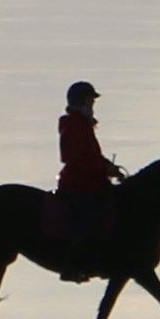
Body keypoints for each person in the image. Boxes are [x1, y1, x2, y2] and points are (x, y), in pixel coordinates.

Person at [53, 79, 119, 254]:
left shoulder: (83, 124)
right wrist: (104, 169)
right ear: (83, 102)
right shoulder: (75, 125)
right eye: (91, 101)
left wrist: (108, 166)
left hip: (89, 181)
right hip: (79, 184)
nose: (92, 106)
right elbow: (75, 159)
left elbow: (91, 156)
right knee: (91, 217)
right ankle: (78, 256)